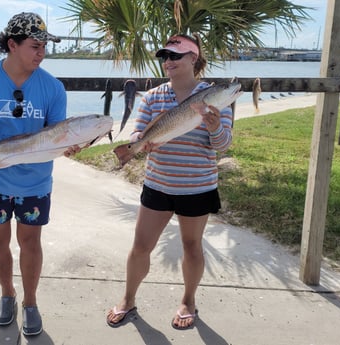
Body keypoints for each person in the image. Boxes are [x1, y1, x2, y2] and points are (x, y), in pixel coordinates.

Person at [0, 12, 79, 335]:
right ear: (12, 44)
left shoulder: (53, 88)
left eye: (44, 47)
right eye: (35, 46)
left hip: (35, 182)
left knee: (30, 241)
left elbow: (55, 134)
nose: (42, 53)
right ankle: (7, 294)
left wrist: (69, 145)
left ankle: (30, 301)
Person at [106, 33, 233, 330]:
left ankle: (189, 300)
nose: (169, 61)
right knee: (140, 247)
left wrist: (214, 127)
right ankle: (128, 298)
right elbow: (138, 133)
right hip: (158, 185)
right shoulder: (153, 96)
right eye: (165, 56)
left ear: (194, 58)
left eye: (176, 55)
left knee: (192, 247)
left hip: (197, 186)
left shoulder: (215, 96)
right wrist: (139, 143)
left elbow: (224, 144)